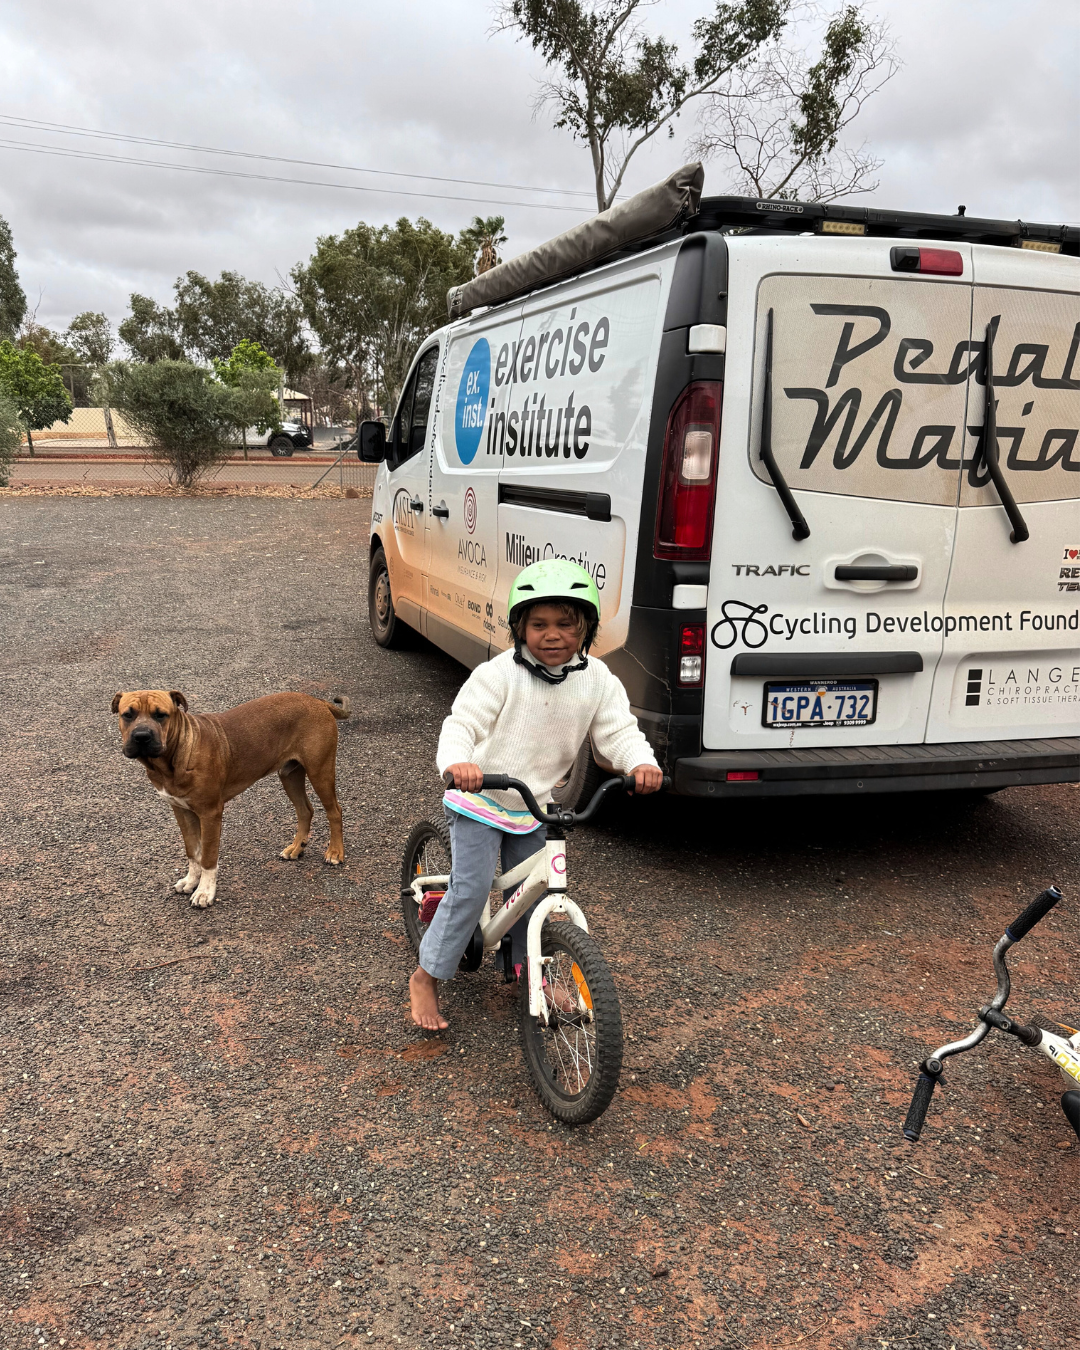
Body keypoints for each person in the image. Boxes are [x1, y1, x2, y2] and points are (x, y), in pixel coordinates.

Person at [409, 559, 663, 1030]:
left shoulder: (598, 679)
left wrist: (640, 763)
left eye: (566, 624)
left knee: (531, 895)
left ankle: (529, 972)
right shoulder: (499, 674)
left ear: (586, 628)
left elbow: (618, 731)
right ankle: (427, 974)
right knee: (472, 890)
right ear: (519, 628)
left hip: (533, 805)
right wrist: (458, 763)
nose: (552, 635)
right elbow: (463, 723)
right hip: (481, 796)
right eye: (538, 624)